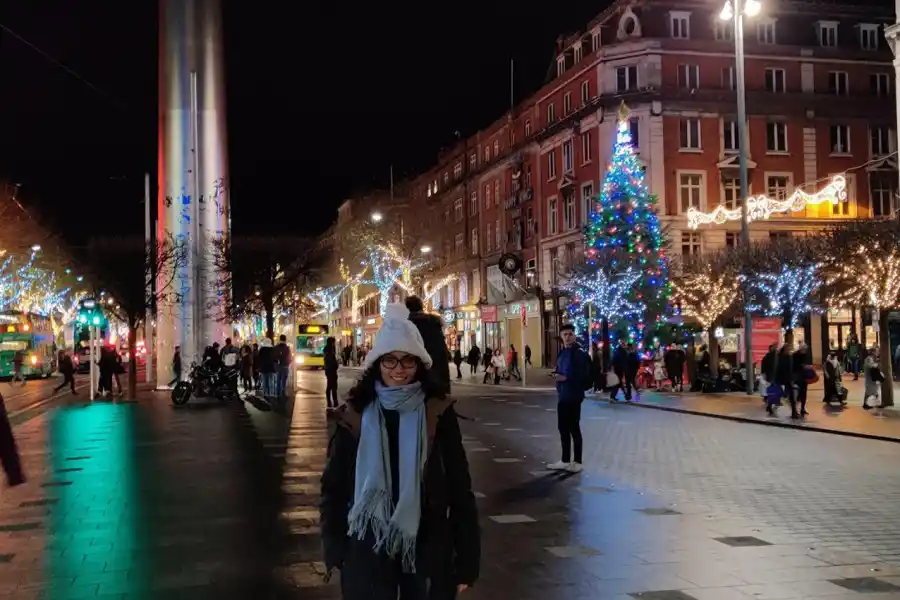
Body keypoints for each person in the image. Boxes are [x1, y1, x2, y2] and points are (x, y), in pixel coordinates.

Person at [320, 303, 479, 599]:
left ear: (420, 364)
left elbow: (460, 489)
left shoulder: (437, 412)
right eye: (390, 361)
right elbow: (334, 488)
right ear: (377, 363)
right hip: (366, 552)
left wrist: (466, 562)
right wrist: (336, 551)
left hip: (426, 552)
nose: (398, 370)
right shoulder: (355, 413)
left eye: (407, 361)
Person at [547, 324, 591, 473]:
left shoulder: (578, 353)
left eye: (570, 334)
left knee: (574, 428)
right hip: (563, 395)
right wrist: (556, 375)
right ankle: (565, 460)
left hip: (574, 394)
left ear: (575, 335)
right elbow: (560, 370)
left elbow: (580, 375)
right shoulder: (563, 352)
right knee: (563, 428)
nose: (567, 337)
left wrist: (563, 377)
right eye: (565, 334)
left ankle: (577, 461)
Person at [405, 296, 451, 396]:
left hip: (415, 380)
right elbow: (442, 352)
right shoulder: (434, 323)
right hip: (436, 377)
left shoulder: (406, 325)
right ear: (421, 307)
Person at [792, 343, 810, 418]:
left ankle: (802, 408)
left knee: (804, 394)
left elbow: (805, 364)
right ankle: (795, 410)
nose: (805, 351)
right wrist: (804, 367)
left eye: (806, 349)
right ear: (801, 349)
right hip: (797, 377)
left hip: (804, 377)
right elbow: (794, 366)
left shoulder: (805, 355)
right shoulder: (795, 355)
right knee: (796, 395)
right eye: (804, 349)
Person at [324, 336, 340, 408]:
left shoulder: (327, 349)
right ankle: (333, 402)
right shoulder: (330, 350)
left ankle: (330, 402)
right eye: (334, 342)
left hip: (329, 370)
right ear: (332, 342)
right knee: (332, 387)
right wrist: (336, 364)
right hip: (331, 371)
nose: (334, 343)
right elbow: (331, 361)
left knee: (330, 386)